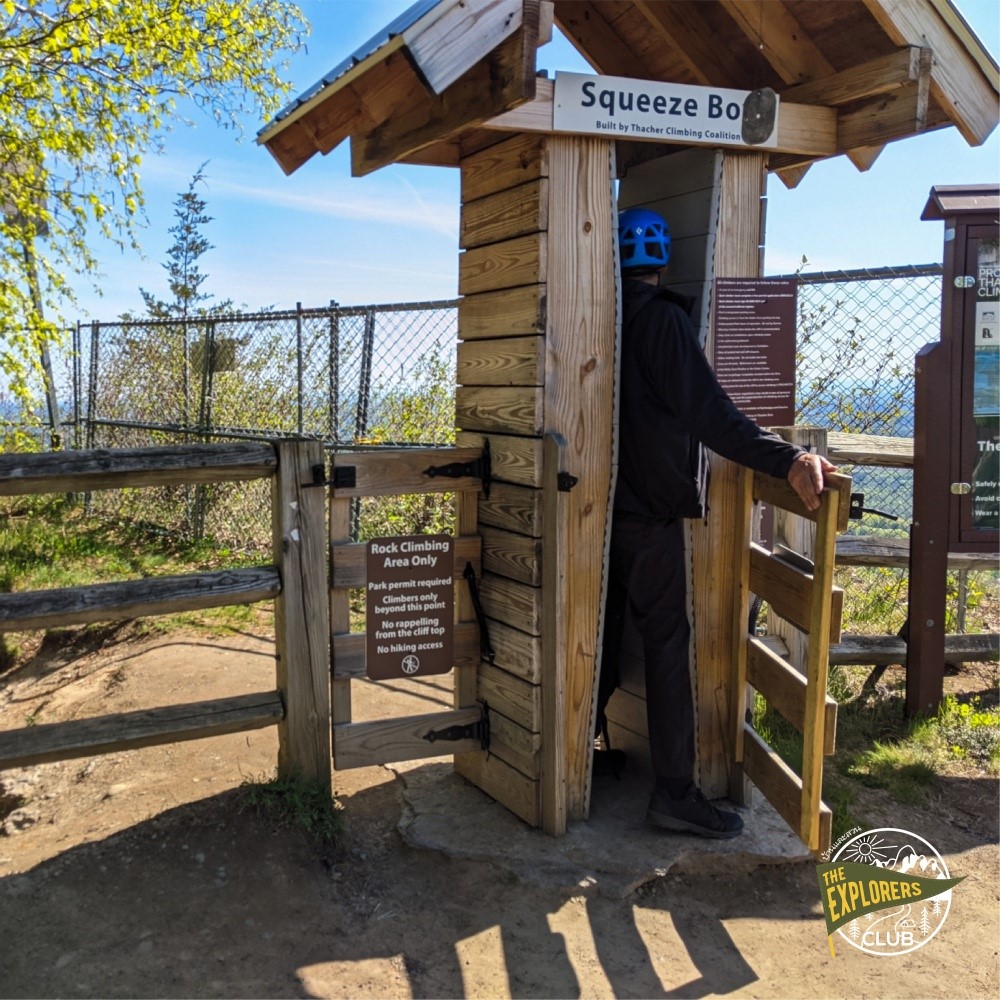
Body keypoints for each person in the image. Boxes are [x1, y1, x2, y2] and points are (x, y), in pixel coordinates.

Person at [598, 207, 836, 839]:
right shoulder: (664, 322)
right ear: (664, 260)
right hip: (647, 514)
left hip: (599, 507)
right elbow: (712, 415)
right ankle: (674, 792)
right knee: (668, 643)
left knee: (602, 627)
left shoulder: (601, 317)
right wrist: (787, 459)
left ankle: (583, 751)